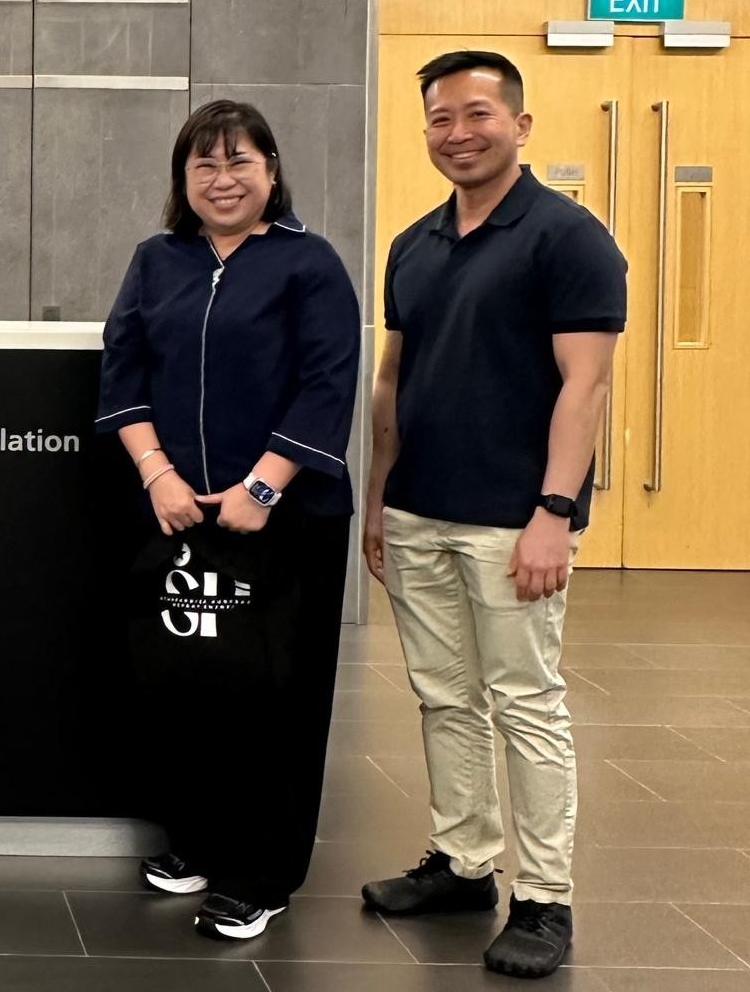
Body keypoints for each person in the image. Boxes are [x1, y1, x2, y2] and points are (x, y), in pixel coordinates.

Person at [360, 51, 623, 980]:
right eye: (440, 118)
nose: (458, 133)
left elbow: (586, 387)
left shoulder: (569, 237)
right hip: (420, 509)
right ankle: (464, 861)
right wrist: (379, 497)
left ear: (520, 124)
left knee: (525, 702)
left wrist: (554, 511)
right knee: (444, 696)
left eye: (477, 114)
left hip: (515, 520)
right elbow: (393, 379)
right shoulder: (414, 244)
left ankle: (544, 898)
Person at [98, 99, 359, 942]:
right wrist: (158, 475)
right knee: (187, 686)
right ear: (183, 179)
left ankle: (262, 873)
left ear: (272, 172)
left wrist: (263, 490)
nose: (223, 179)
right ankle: (198, 844)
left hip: (286, 521)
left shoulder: (309, 263)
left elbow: (327, 384)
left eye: (240, 161)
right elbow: (123, 375)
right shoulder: (157, 261)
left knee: (274, 696)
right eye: (204, 164)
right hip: (176, 515)